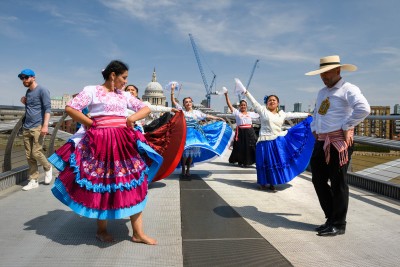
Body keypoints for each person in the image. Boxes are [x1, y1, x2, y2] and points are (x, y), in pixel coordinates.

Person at [48, 60, 162, 244]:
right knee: (103, 183)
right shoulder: (92, 91)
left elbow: (145, 108)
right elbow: (70, 107)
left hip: (123, 143)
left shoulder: (123, 95)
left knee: (134, 182)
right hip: (99, 143)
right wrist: (90, 123)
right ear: (113, 75)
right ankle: (101, 230)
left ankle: (138, 232)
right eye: (124, 77)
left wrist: (131, 117)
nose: (125, 82)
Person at [306, 55, 370, 236]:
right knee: (318, 180)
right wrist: (314, 128)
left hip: (338, 142)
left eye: (326, 73)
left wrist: (348, 126)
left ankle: (339, 223)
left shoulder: (348, 89)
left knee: (338, 182)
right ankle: (330, 218)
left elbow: (363, 108)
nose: (323, 77)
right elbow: (317, 113)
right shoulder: (321, 92)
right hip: (321, 141)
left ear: (337, 71)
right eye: (321, 74)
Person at [235, 78, 315, 191]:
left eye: (274, 100)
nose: (271, 101)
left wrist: (307, 114)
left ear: (278, 103)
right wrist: (245, 91)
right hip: (263, 141)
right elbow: (252, 101)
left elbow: (293, 114)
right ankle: (263, 182)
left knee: (274, 163)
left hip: (276, 141)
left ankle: (273, 182)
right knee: (263, 162)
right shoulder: (262, 111)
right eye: (269, 100)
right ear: (267, 103)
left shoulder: (282, 114)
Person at [170, 83, 234, 178]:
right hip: (186, 133)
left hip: (195, 135)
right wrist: (172, 91)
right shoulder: (182, 112)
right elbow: (173, 101)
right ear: (184, 104)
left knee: (191, 153)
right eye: (186, 102)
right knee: (185, 153)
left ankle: (188, 169)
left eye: (190, 101)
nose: (188, 103)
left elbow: (207, 116)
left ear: (192, 103)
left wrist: (217, 118)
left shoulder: (197, 113)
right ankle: (183, 167)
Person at [18, 68, 53, 191]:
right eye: (22, 78)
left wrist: (45, 125)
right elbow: (33, 107)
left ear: (33, 77)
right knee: (29, 155)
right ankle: (34, 180)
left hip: (38, 126)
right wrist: (25, 103)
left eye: (26, 77)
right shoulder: (28, 92)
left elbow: (48, 109)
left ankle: (48, 167)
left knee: (36, 152)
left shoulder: (42, 90)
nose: (24, 80)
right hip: (26, 126)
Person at [224, 88, 259, 167]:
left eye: (244, 105)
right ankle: (241, 161)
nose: (243, 106)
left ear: (246, 106)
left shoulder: (251, 113)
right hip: (240, 131)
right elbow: (229, 105)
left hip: (250, 131)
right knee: (240, 146)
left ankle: (253, 160)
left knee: (252, 145)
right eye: (241, 105)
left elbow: (260, 114)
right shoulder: (237, 112)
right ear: (239, 106)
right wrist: (226, 95)